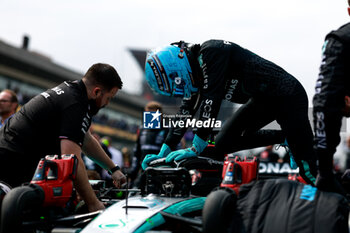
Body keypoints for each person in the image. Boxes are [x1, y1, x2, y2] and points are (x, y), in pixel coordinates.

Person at [142, 40, 317, 185]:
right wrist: (163, 152)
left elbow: (211, 99)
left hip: (288, 95)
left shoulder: (211, 52)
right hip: (264, 100)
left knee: (308, 172)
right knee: (222, 144)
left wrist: (196, 147)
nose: (179, 89)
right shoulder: (195, 75)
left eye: (176, 82)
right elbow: (185, 112)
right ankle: (283, 138)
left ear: (177, 68)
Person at [0, 63, 126, 212]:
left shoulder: (72, 90)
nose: (107, 103)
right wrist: (93, 203)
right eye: (108, 98)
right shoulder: (75, 104)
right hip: (9, 169)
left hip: (12, 160)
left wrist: (113, 169)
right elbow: (72, 159)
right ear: (97, 91)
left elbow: (86, 140)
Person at [313, 1, 350, 194]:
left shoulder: (340, 39)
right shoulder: (341, 40)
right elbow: (325, 101)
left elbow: (323, 102)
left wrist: (325, 170)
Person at [128, 101, 168, 186]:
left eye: (152, 114)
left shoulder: (166, 129)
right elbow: (137, 152)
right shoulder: (142, 129)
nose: (149, 116)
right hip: (143, 170)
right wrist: (132, 172)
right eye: (147, 113)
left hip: (160, 171)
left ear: (160, 115)